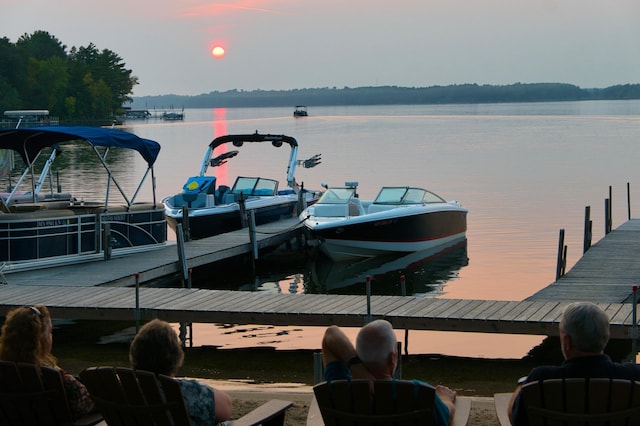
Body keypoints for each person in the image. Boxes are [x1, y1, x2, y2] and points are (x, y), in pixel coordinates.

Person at [508, 302, 640, 425]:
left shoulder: (540, 378)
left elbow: (516, 419)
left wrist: (522, 384)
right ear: (606, 337)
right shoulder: (634, 375)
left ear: (567, 342)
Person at [322, 319, 457, 426]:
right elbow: (447, 418)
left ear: (359, 355)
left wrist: (356, 367)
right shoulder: (418, 392)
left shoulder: (341, 389)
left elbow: (331, 333)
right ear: (392, 358)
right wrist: (446, 398)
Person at [0, 305, 95, 420]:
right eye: (49, 331)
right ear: (39, 339)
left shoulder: (5, 373)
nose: (51, 336)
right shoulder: (56, 378)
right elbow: (88, 403)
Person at [129, 319, 233, 424]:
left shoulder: (126, 391)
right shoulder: (188, 391)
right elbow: (226, 409)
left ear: (135, 355)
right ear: (175, 357)